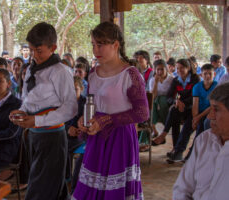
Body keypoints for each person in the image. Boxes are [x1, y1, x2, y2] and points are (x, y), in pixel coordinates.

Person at [72, 22, 148, 200]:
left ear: (115, 45)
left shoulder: (130, 74)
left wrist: (106, 121)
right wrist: (85, 118)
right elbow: (93, 103)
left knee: (114, 190)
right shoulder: (93, 73)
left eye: (100, 44)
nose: (95, 49)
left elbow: (142, 112)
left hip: (120, 138)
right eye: (93, 44)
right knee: (91, 187)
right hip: (96, 136)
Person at [9, 22, 77, 200]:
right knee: (51, 186)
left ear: (53, 47)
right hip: (34, 135)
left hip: (52, 137)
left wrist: (37, 120)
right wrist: (22, 111)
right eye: (31, 50)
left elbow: (70, 108)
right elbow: (28, 98)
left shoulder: (60, 71)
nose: (34, 55)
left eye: (39, 51)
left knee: (40, 190)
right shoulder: (31, 68)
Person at [173, 82, 229, 200]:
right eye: (211, 109)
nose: (210, 116)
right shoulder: (204, 140)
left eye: (216, 110)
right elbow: (182, 188)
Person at [152, 59, 200, 162]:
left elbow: (195, 97)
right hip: (181, 108)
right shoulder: (176, 80)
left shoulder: (195, 79)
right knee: (174, 111)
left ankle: (176, 150)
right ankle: (174, 148)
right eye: (177, 68)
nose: (179, 70)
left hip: (194, 109)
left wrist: (181, 102)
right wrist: (176, 101)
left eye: (182, 68)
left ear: (188, 68)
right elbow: (169, 96)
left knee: (186, 127)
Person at [66, 76, 86, 194]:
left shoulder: (86, 104)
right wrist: (68, 128)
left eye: (75, 89)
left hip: (81, 138)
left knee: (64, 147)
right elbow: (58, 122)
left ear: (82, 89)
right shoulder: (63, 103)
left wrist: (80, 129)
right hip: (66, 136)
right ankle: (64, 180)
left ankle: (71, 184)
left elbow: (88, 122)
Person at [149, 59, 174, 137]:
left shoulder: (171, 79)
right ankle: (154, 129)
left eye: (162, 69)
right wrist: (156, 83)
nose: (160, 72)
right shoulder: (152, 80)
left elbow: (172, 94)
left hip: (167, 101)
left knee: (162, 99)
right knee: (152, 102)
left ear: (165, 69)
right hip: (156, 101)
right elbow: (153, 96)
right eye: (158, 69)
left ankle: (165, 123)